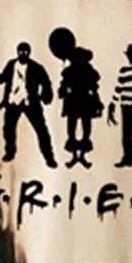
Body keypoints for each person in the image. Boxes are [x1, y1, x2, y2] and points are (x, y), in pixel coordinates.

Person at [0, 41, 58, 167]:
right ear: (17, 52)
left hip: (30, 103)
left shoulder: (36, 67)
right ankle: (10, 152)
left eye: (25, 52)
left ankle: (49, 158)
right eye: (21, 52)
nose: (23, 54)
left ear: (29, 53)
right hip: (13, 102)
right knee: (8, 129)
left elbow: (46, 83)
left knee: (41, 130)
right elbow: (3, 77)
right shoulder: (11, 65)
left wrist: (46, 96)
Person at [49, 27, 104, 169]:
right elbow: (92, 87)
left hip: (78, 102)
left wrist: (63, 91)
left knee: (78, 129)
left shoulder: (75, 71)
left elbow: (92, 87)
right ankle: (77, 157)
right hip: (79, 102)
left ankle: (79, 157)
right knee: (78, 129)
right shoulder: (80, 71)